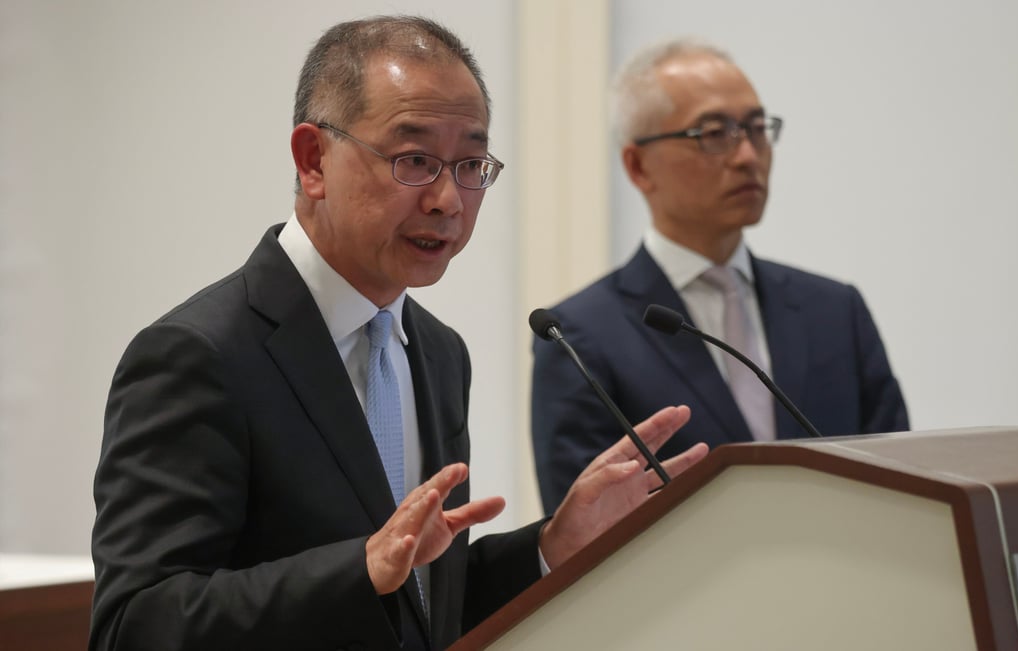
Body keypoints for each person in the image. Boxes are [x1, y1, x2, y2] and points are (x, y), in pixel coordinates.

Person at [89, 16, 708, 651]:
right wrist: (358, 569)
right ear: (313, 161)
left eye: (471, 163)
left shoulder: (438, 352)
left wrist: (554, 545)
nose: (448, 199)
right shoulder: (200, 354)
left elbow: (420, 610)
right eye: (414, 159)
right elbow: (135, 623)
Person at [531, 38, 908, 514]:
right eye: (714, 133)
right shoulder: (579, 338)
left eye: (756, 129)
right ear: (639, 166)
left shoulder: (836, 311)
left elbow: (902, 485)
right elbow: (582, 538)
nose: (748, 155)